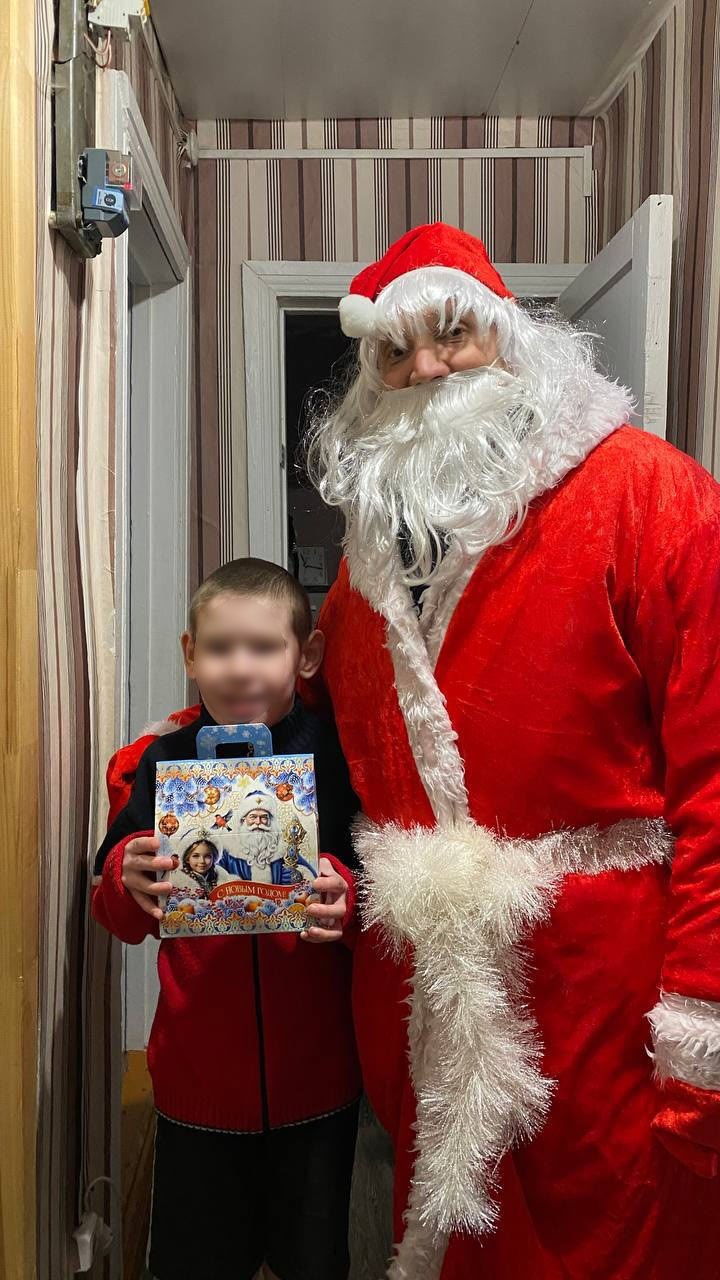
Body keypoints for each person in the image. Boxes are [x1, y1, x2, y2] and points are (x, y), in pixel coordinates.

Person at [304, 222, 720, 1279]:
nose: (426, 368)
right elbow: (346, 759)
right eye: (394, 350)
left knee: (614, 1242)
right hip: (424, 991)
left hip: (603, 996)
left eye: (453, 333)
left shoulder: (652, 495)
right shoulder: (367, 561)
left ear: (511, 338)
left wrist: (703, 1007)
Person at [93, 557, 361, 1280]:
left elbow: (374, 888)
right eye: (219, 648)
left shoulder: (333, 754)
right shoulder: (162, 763)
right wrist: (125, 876)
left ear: (306, 655)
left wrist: (346, 897)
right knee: (196, 1261)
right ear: (190, 654)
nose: (240, 668)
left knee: (315, 1260)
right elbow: (116, 912)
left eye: (264, 647)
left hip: (318, 1081)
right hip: (196, 1088)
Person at [220, 785, 317, 885]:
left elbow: (309, 875)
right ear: (243, 820)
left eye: (263, 817)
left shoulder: (283, 847)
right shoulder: (229, 849)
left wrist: (296, 874)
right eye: (253, 817)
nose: (258, 822)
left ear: (270, 821)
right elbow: (214, 872)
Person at [171, 828, 231, 896]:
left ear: (214, 858)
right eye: (196, 856)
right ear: (187, 859)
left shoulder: (221, 877)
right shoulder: (178, 882)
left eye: (207, 856)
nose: (202, 861)